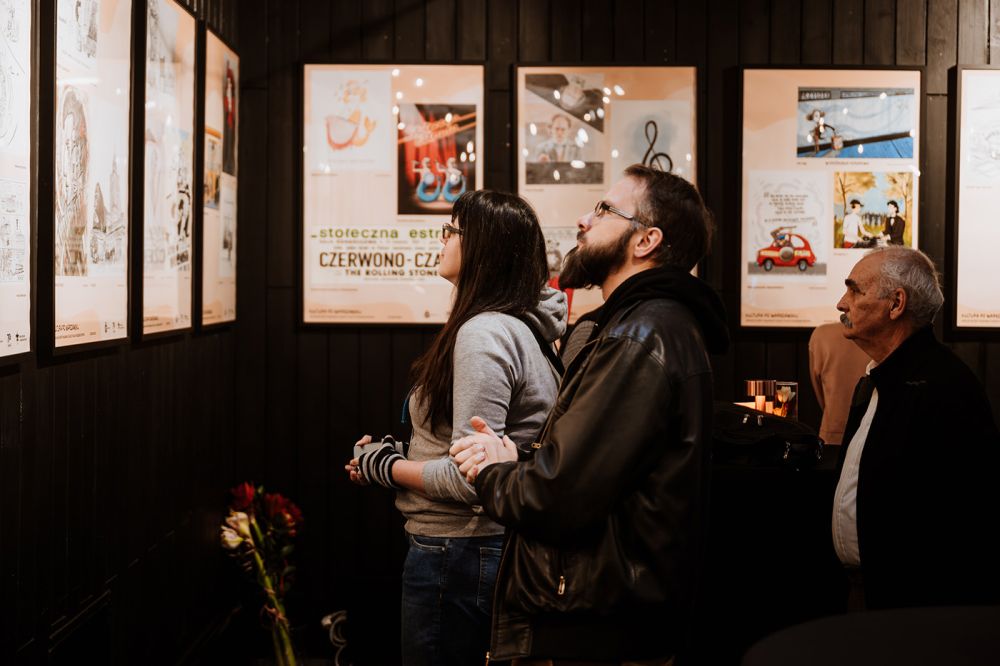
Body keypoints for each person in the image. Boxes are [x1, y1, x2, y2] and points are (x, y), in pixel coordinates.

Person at [451, 165, 730, 664]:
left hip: (598, 625)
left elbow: (557, 494)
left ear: (645, 241)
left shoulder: (640, 336)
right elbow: (590, 471)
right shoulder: (640, 325)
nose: (584, 219)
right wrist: (518, 461)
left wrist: (492, 470)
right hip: (608, 615)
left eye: (604, 209)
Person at [345, 190, 567, 666]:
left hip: (458, 551)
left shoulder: (484, 333)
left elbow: (471, 478)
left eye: (452, 230)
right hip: (478, 549)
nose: (442, 239)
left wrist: (384, 466)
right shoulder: (522, 326)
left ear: (484, 247)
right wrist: (396, 453)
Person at [831, 247, 1000, 610]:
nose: (841, 304)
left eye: (855, 291)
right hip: (867, 596)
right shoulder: (879, 378)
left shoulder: (944, 387)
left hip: (911, 609)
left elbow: (963, 518)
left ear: (896, 304)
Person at [808, 321, 870, 445]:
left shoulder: (822, 335)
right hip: (874, 435)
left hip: (832, 435)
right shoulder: (886, 334)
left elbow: (819, 390)